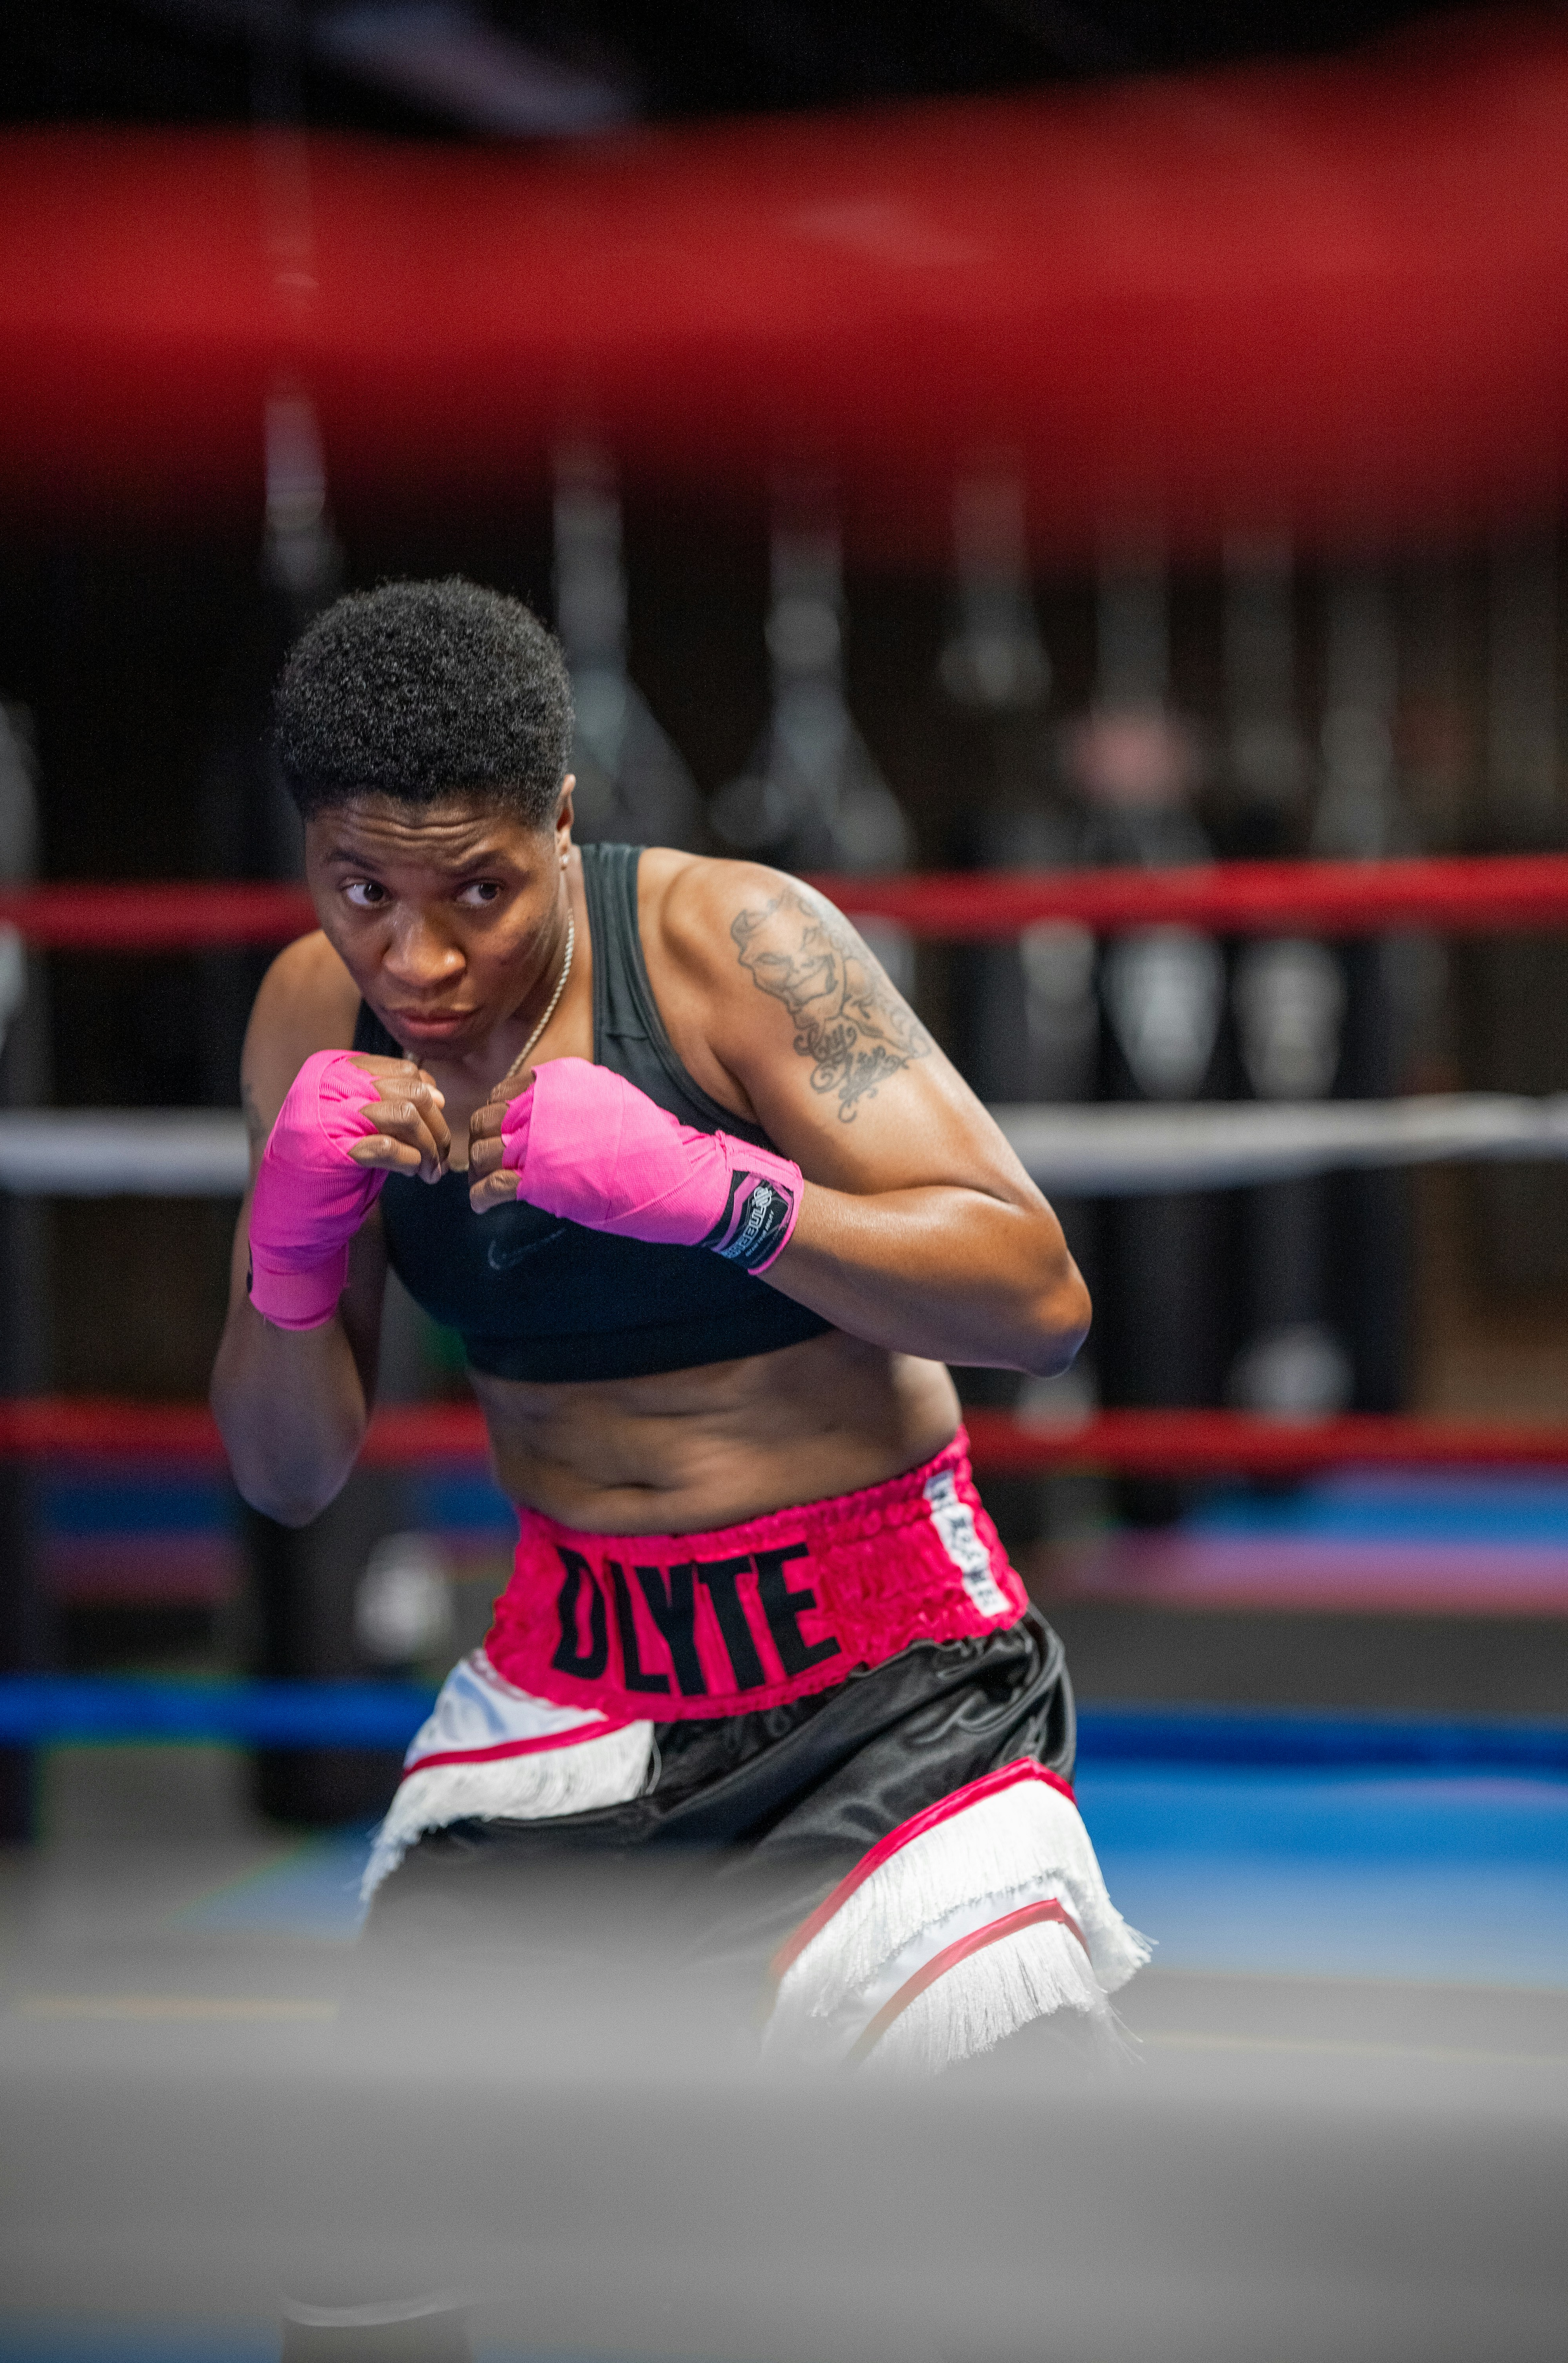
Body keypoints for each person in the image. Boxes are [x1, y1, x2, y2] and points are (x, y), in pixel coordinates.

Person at [212, 577, 1147, 2094]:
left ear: (560, 823)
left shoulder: (734, 947)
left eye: (479, 893)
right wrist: (289, 1252)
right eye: (363, 890)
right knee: (392, 2209)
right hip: (571, 1681)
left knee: (998, 2154)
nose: (420, 961)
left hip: (887, 1684)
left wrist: (724, 1197)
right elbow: (286, 1475)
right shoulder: (307, 1019)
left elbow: (1038, 1301)